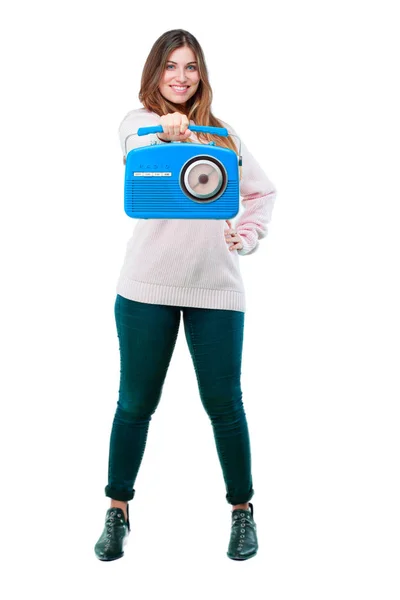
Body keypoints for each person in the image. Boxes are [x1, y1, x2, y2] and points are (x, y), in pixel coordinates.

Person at [94, 28, 277, 562]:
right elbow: (138, 147)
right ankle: (117, 509)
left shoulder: (224, 137)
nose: (181, 76)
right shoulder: (139, 125)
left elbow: (262, 191)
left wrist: (245, 235)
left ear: (202, 75)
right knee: (135, 405)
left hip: (216, 290)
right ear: (155, 73)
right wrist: (171, 131)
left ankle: (242, 513)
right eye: (171, 66)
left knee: (225, 406)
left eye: (191, 66)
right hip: (145, 288)